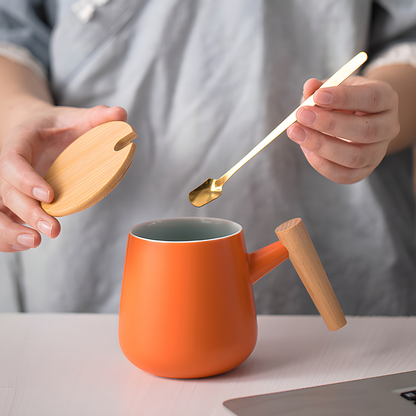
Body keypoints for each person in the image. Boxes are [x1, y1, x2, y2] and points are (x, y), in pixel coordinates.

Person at [0, 0, 416, 315]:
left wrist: (376, 117)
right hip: (84, 279)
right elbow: (12, 35)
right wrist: (21, 114)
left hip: (351, 268)